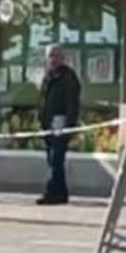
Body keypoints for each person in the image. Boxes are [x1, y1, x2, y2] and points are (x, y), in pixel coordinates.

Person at [37, 45, 81, 205]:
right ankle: (61, 193)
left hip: (61, 124)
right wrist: (40, 119)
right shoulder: (48, 76)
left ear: (63, 58)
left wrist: (69, 125)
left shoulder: (68, 77)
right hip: (48, 124)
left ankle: (53, 192)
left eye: (56, 56)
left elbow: (72, 103)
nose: (53, 59)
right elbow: (43, 99)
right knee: (52, 159)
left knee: (56, 159)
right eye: (50, 56)